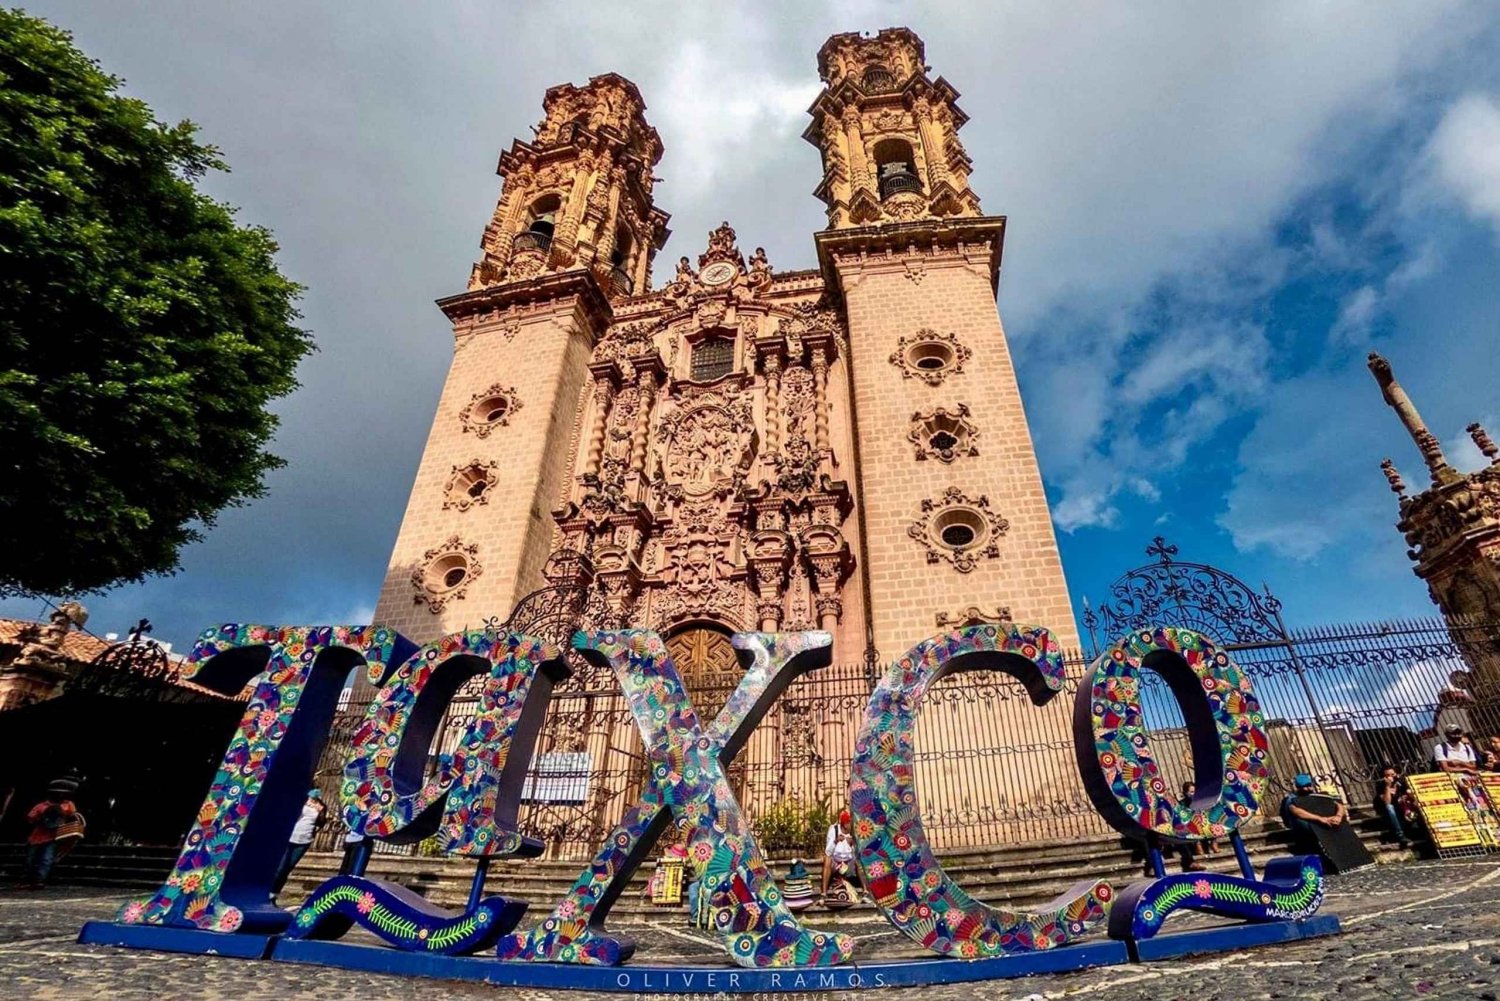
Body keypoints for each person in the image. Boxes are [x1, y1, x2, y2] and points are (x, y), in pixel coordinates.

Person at [18, 781, 84, 890]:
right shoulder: (41, 806)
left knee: (46, 859)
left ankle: (40, 881)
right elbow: (30, 818)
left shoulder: (68, 805)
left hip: (54, 836)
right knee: (30, 859)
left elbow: (73, 816)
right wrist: (41, 819)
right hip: (37, 836)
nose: (60, 795)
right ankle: (26, 880)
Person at [272, 789, 327, 900]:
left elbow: (321, 823)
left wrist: (320, 811)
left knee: (288, 868)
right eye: (311, 796)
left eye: (315, 797)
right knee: (281, 867)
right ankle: (269, 890)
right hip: (291, 837)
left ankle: (274, 894)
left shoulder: (321, 806)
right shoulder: (302, 801)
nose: (312, 798)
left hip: (304, 840)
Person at [1372, 764, 1412, 848]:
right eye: (1387, 775)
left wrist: (1408, 795)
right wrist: (1387, 786)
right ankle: (1400, 835)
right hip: (1387, 812)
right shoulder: (1380, 785)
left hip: (1401, 809)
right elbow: (1387, 802)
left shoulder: (1400, 782)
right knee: (1390, 807)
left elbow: (1409, 794)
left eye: (1392, 774)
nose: (1391, 777)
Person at [821, 809, 854, 899]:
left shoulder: (853, 832)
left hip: (848, 864)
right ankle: (824, 893)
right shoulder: (834, 829)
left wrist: (852, 845)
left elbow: (857, 854)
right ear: (845, 824)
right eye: (850, 823)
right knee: (827, 859)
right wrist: (836, 841)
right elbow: (828, 852)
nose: (851, 825)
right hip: (835, 863)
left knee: (859, 860)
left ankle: (865, 891)